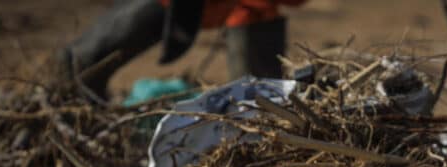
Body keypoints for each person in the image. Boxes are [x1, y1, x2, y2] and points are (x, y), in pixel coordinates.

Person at [59, 0, 306, 99]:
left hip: (250, 14)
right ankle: (75, 80)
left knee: (256, 99)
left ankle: (256, 116)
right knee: (83, 64)